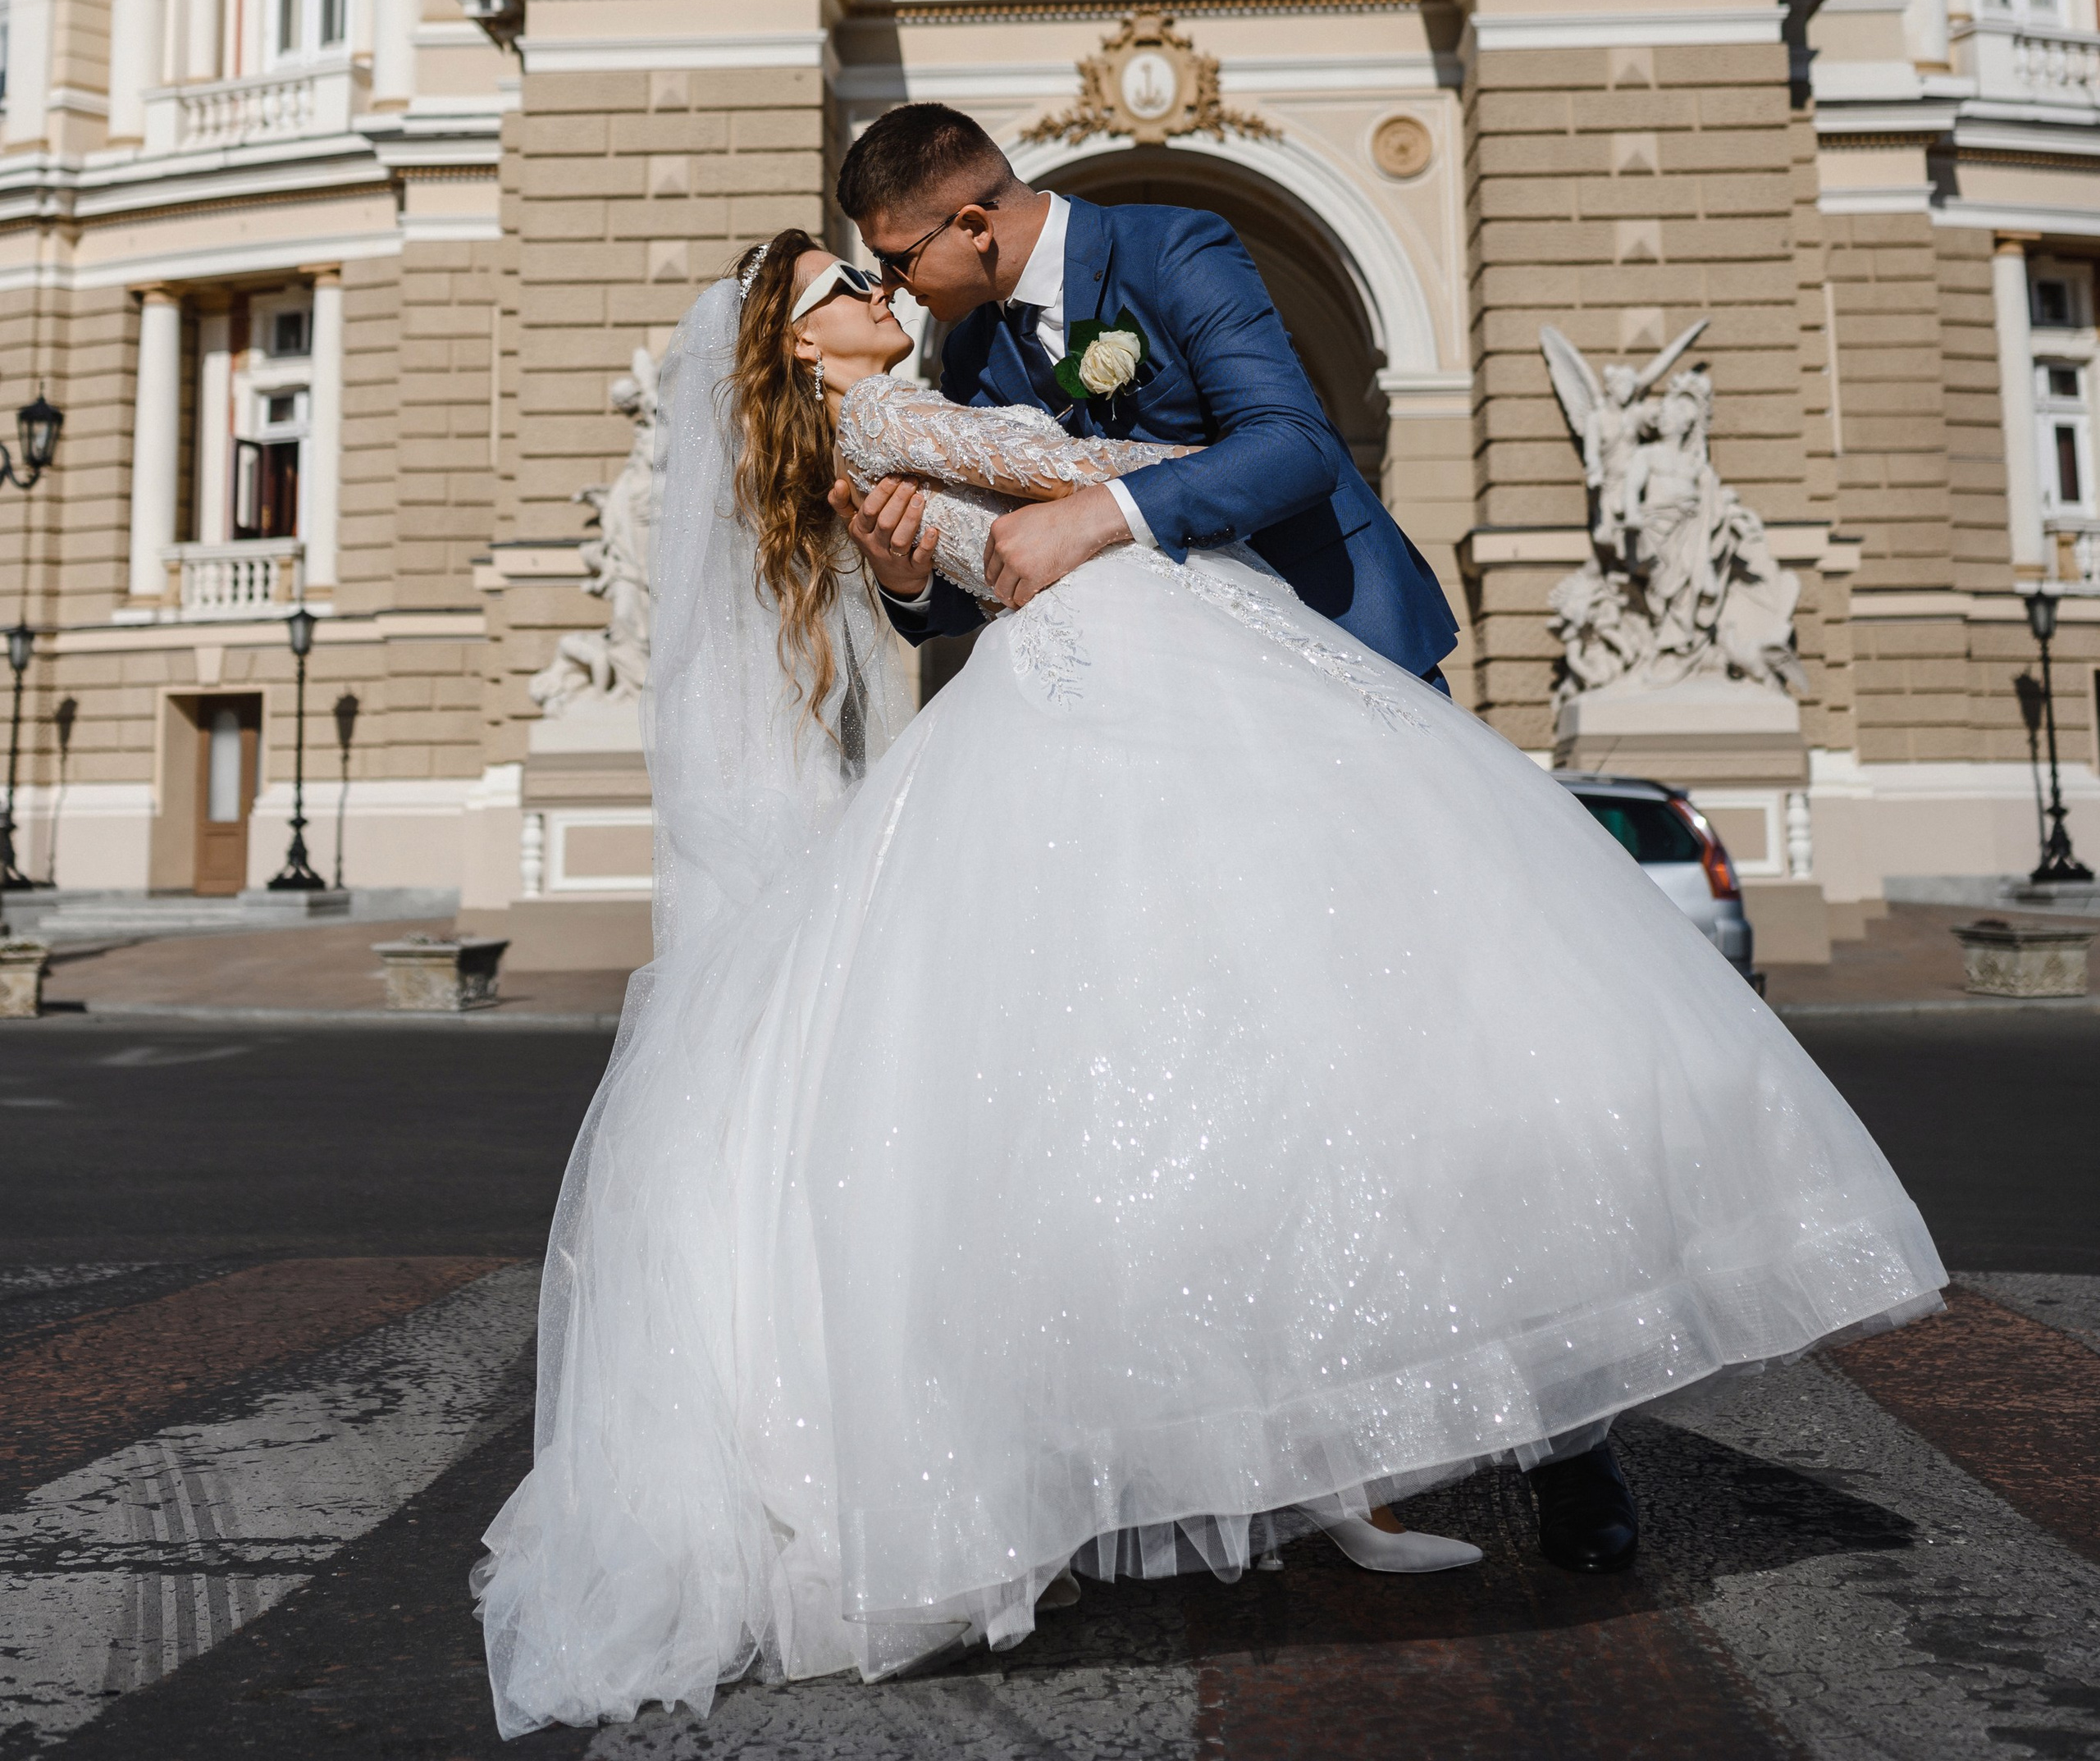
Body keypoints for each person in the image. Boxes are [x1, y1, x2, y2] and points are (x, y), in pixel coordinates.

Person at [476, 234, 1946, 1737]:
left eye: (877, 264)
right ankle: (1326, 1460)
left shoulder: (994, 355)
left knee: (1271, 1061)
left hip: (1156, 678)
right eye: (844, 285)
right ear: (797, 347)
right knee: (1258, 1057)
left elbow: (998, 531)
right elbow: (1121, 473)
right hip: (1118, 693)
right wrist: (1122, 481)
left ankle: (1369, 1461)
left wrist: (941, 548)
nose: (877, 290)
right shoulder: (901, 414)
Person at [828, 103, 1457, 682]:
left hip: (1339, 633)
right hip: (1172, 682)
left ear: (973, 227)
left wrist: (1095, 513)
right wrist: (906, 581)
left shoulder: (1173, 251)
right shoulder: (972, 353)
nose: (891, 285)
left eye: (897, 259)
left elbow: (1296, 446)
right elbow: (1004, 565)